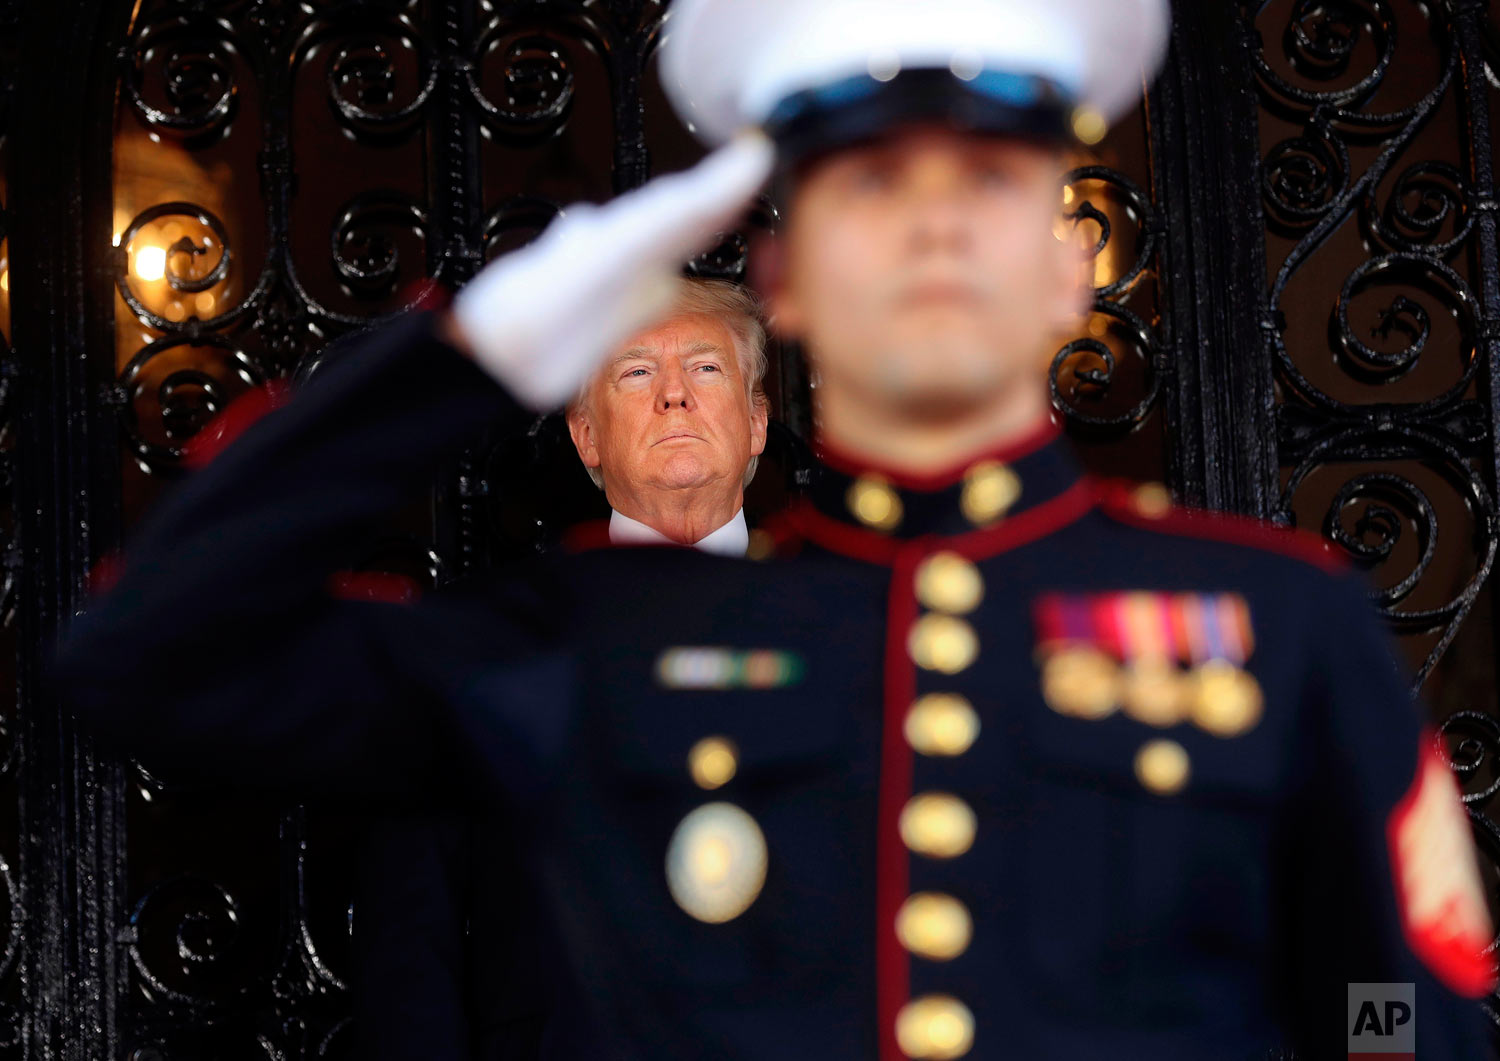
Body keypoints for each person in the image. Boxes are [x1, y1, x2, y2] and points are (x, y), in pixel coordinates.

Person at [57, 1, 1495, 1058]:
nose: (934, 230)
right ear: (787, 277)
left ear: (1072, 269)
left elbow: (1394, 1000)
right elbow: (142, 660)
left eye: (987, 184)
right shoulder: (591, 636)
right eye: (871, 188)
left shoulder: (1278, 620)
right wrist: (474, 351)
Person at [566, 277, 769, 552]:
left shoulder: (826, 587)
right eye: (638, 372)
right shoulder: (536, 594)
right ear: (587, 435)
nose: (674, 393)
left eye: (705, 368)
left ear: (756, 423)